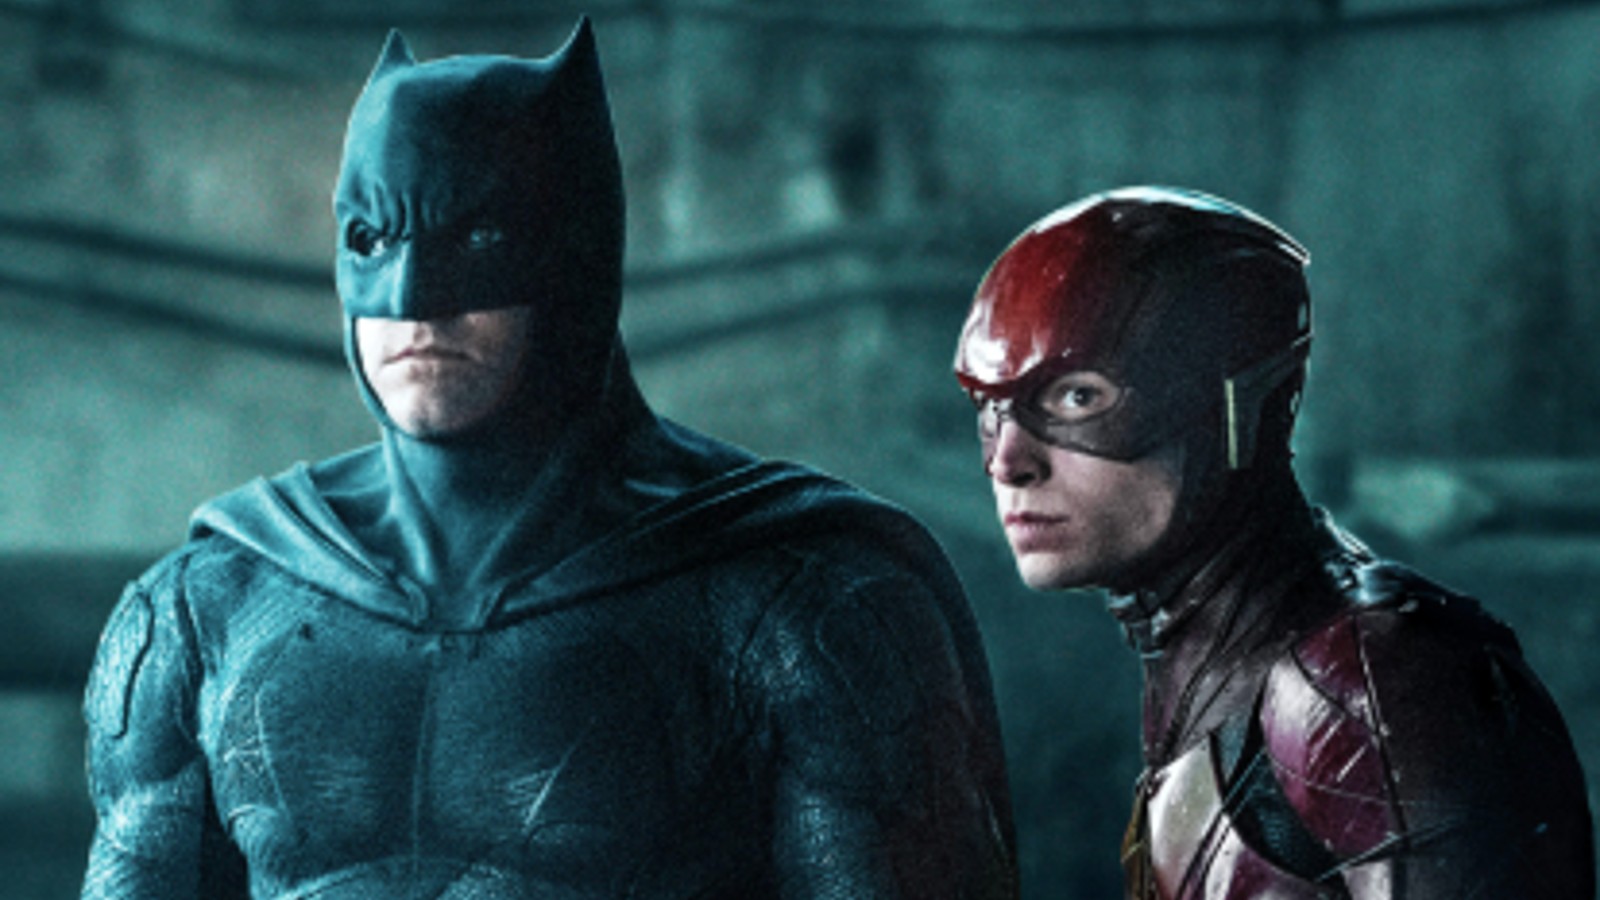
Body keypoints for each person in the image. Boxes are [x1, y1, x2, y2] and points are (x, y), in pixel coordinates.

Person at [81, 19, 1017, 899]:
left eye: (482, 236)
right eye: (373, 238)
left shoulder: (798, 602)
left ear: (576, 260)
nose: (415, 299)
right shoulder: (208, 606)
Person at [953, 185, 1593, 898]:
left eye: (1078, 396)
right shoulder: (1208, 656)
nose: (1008, 462)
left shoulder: (1369, 680)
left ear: (1243, 407)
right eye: (989, 407)